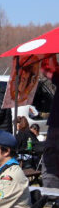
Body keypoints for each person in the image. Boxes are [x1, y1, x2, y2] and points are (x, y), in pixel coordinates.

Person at [40, 55, 59, 188]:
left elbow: (46, 70)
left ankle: (52, 199)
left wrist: (49, 55)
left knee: (51, 163)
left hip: (56, 126)